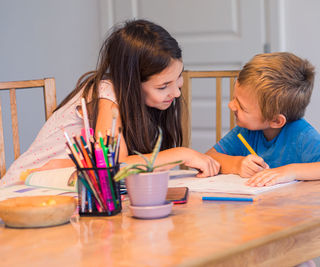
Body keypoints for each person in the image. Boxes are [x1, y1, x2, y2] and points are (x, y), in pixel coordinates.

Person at [1, 19, 220, 187]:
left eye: (179, 76)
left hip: (64, 189)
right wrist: (182, 153)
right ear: (132, 83)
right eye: (162, 87)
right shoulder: (107, 95)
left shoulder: (139, 101)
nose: (176, 92)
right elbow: (115, 169)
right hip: (26, 188)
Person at [206, 52, 320, 187]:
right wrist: (237, 165)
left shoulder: (299, 135)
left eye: (242, 107)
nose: (230, 105)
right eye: (234, 98)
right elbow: (208, 158)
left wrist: (290, 171)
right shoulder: (246, 131)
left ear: (276, 121)